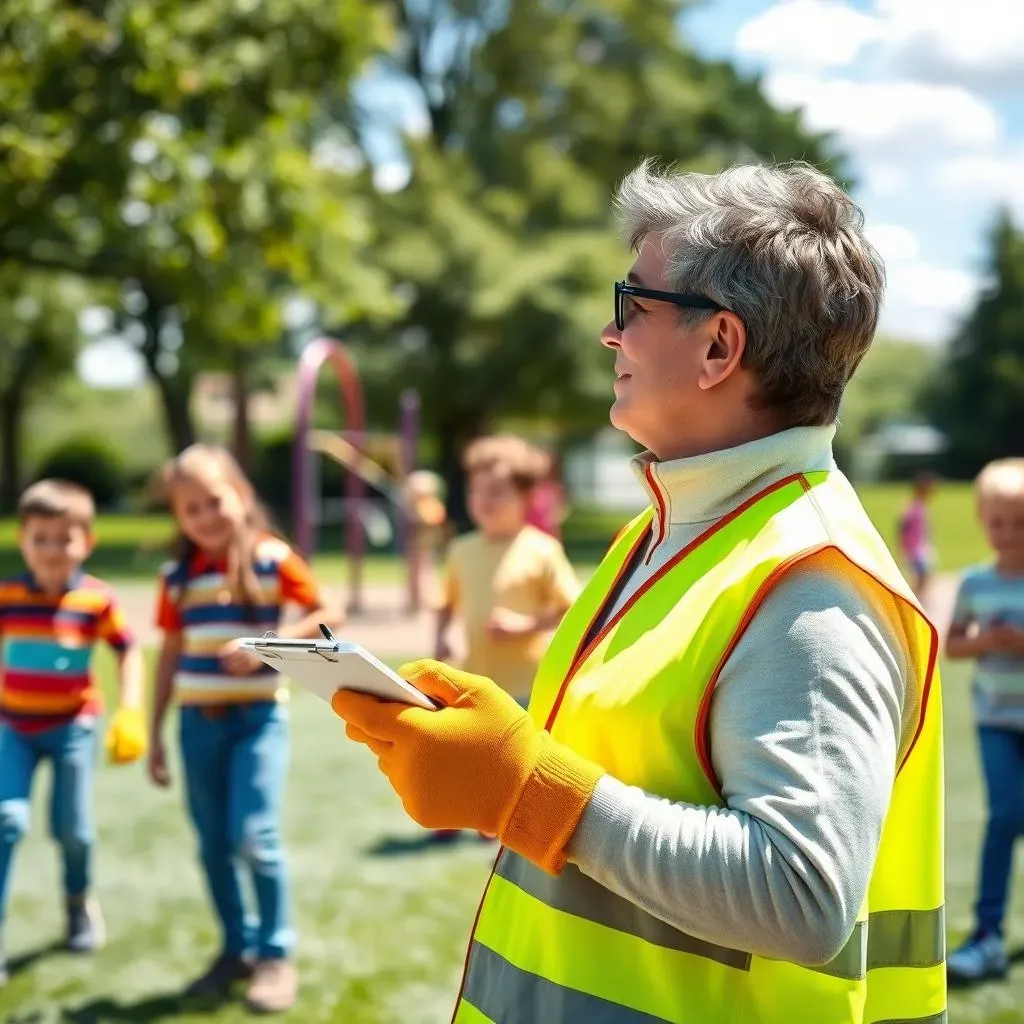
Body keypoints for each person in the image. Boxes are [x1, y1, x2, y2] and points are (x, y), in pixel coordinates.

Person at [332, 159, 946, 1024]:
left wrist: (521, 789)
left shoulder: (815, 586)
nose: (608, 335)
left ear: (719, 346)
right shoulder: (666, 529)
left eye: (632, 304)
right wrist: (488, 756)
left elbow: (803, 898)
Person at [147, 445, 337, 1013]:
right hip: (194, 727)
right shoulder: (176, 578)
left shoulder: (273, 559)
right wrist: (154, 734)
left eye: (215, 501)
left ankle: (275, 954)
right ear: (178, 517)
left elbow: (329, 616)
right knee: (212, 846)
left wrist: (267, 648)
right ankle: (236, 949)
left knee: (255, 836)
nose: (206, 516)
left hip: (257, 724)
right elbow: (168, 655)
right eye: (191, 508)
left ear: (241, 496)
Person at [0, 480, 145, 987]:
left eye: (65, 538)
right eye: (40, 537)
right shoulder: (8, 596)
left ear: (87, 542)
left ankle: (79, 903)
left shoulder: (96, 599)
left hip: (72, 729)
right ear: (23, 540)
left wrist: (130, 709)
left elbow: (127, 650)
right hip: (12, 727)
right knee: (6, 820)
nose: (52, 549)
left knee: (73, 831)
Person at [431, 435, 581, 842]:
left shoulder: (541, 550)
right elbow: (445, 603)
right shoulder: (461, 550)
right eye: (476, 491)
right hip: (476, 678)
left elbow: (573, 608)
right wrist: (442, 639)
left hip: (525, 685)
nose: (484, 500)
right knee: (465, 752)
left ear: (526, 495)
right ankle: (453, 817)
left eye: (497, 491)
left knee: (511, 762)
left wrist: (524, 625)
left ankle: (496, 826)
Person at [945, 458, 1024, 984]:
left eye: (1020, 524)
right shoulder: (974, 582)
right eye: (998, 523)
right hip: (995, 720)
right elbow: (952, 644)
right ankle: (987, 935)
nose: (1009, 535)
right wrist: (986, 643)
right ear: (982, 521)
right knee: (1004, 818)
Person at [899, 471, 938, 603]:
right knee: (921, 576)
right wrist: (902, 547)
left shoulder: (922, 507)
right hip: (914, 550)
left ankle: (917, 599)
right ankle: (912, 599)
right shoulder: (911, 507)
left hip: (922, 548)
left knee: (924, 577)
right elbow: (903, 528)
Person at [525, 449, 569, 541]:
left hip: (547, 531)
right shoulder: (530, 486)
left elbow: (562, 507)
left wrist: (554, 517)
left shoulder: (554, 487)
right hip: (531, 530)